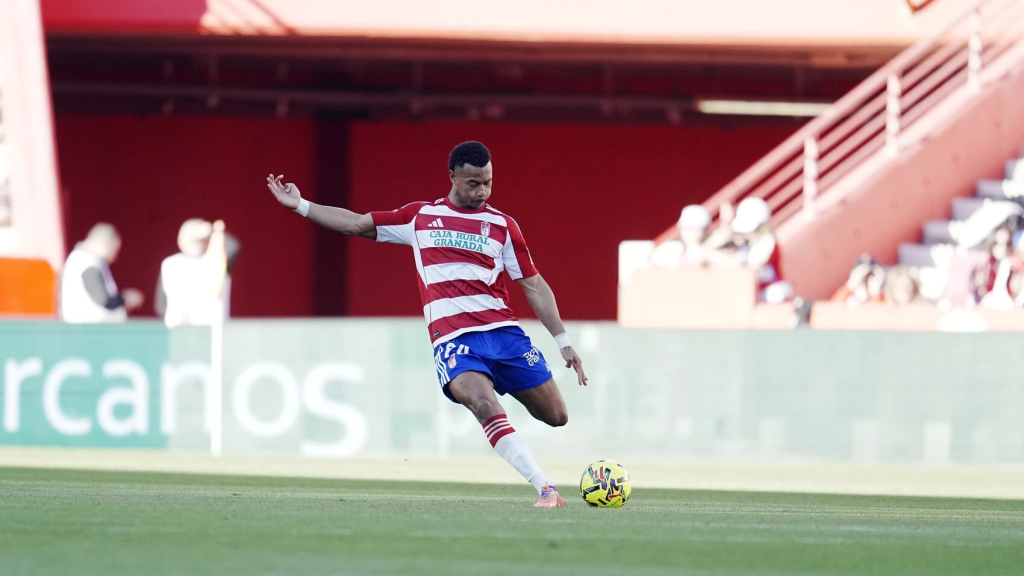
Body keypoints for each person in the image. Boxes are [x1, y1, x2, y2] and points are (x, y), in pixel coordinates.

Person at [266, 141, 586, 508]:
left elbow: (534, 285)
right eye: (472, 183)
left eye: (488, 183)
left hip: (505, 335)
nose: (481, 192)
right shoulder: (419, 217)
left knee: (556, 416)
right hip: (454, 340)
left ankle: (528, 442)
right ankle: (545, 488)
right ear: (452, 177)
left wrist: (562, 340)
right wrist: (301, 206)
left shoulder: (502, 226)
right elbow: (355, 224)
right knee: (484, 404)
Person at [155, 219, 241, 328]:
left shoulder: (215, 262)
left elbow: (160, 306)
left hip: (205, 331)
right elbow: (161, 305)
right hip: (183, 330)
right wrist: (212, 230)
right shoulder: (171, 264)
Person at [59, 223, 143, 323]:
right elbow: (103, 299)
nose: (114, 257)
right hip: (92, 330)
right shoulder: (86, 262)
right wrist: (125, 298)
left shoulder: (81, 259)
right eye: (114, 250)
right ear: (106, 244)